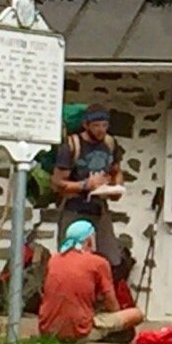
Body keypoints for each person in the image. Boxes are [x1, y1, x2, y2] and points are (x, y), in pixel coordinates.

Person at [38, 219, 143, 344]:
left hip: (47, 330)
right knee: (136, 314)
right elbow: (111, 302)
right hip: (79, 332)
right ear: (89, 241)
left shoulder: (54, 260)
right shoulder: (98, 262)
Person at [51, 107, 125, 269]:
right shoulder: (72, 146)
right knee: (71, 260)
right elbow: (57, 183)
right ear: (86, 125)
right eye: (96, 125)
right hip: (74, 209)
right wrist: (85, 185)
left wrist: (117, 187)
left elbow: (116, 171)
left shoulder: (109, 143)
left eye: (104, 125)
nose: (101, 130)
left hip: (99, 209)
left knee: (110, 259)